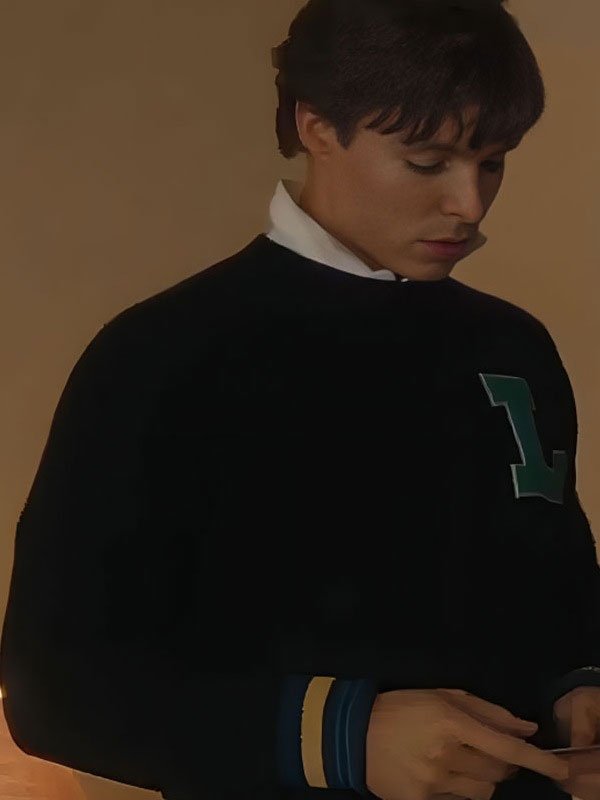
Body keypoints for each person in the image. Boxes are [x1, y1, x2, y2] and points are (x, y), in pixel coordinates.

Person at [1, 0, 598, 799]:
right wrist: (343, 738)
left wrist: (579, 683)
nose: (471, 203)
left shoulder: (514, 346)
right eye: (428, 163)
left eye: (492, 163)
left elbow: (558, 583)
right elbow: (54, 689)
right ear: (317, 127)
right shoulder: (160, 356)